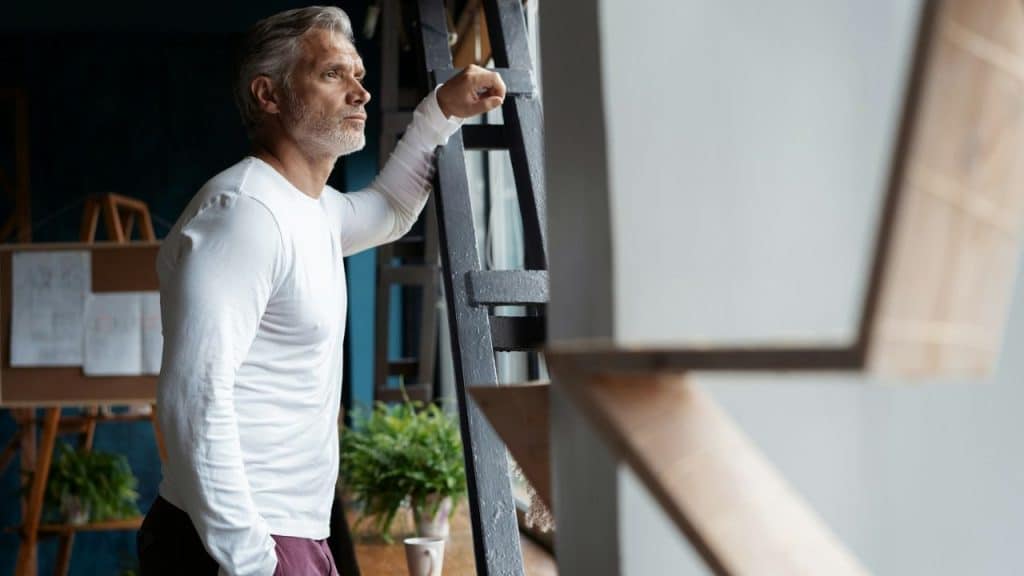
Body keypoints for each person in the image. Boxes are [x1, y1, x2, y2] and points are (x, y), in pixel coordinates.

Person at [136, 6, 505, 575]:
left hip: (285, 534)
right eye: (333, 74)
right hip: (237, 542)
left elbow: (389, 209)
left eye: (359, 75)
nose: (359, 93)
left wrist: (441, 111)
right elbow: (192, 400)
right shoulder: (245, 214)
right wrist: (255, 561)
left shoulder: (312, 210)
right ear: (269, 95)